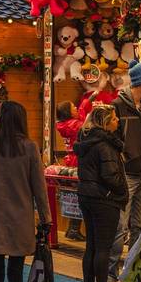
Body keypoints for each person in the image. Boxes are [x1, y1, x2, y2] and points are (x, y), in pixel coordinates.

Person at [0, 101, 51, 282]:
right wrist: (45, 218)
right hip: (21, 219)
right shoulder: (30, 148)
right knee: (16, 271)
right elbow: (39, 188)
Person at [108, 59, 141, 282]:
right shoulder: (117, 106)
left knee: (139, 226)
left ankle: (130, 273)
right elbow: (112, 137)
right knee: (120, 226)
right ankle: (109, 272)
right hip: (127, 173)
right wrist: (125, 157)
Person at [74, 104, 127, 282]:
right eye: (113, 119)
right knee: (103, 247)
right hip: (104, 199)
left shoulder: (86, 140)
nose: (117, 121)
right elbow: (110, 176)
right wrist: (122, 190)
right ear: (105, 123)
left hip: (86, 196)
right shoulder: (105, 145)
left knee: (92, 245)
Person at [56, 101, 85, 241]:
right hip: (78, 160)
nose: (76, 108)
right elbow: (87, 126)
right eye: (74, 107)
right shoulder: (75, 124)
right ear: (68, 112)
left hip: (69, 160)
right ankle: (74, 228)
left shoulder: (62, 125)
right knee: (78, 196)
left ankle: (71, 228)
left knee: (73, 196)